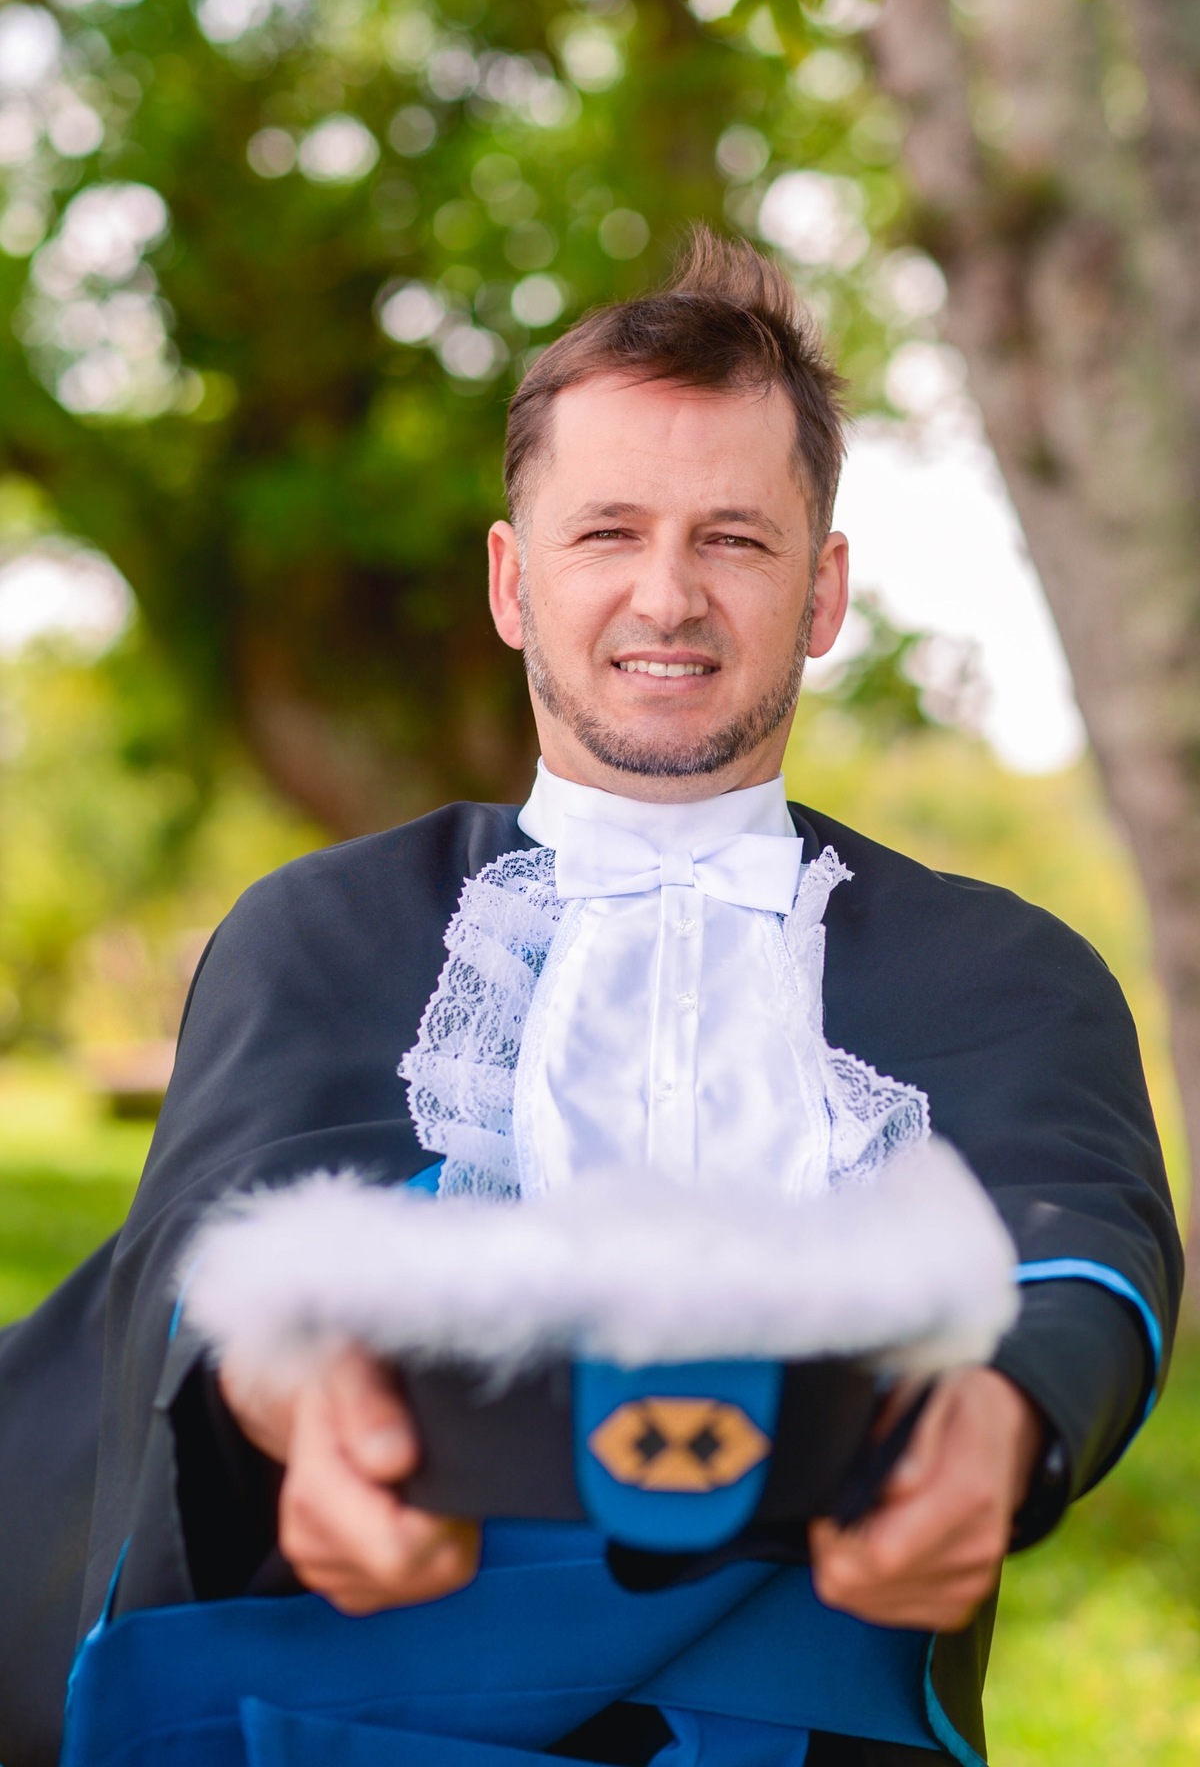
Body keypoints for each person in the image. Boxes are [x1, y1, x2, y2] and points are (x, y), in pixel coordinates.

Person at [0, 230, 1181, 1767]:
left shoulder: (1009, 970)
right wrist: (289, 1399)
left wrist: (1007, 1416)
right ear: (513, 582)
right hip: (337, 1714)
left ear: (824, 593)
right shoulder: (314, 930)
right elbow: (205, 1263)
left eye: (735, 540)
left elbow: (1083, 1240)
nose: (666, 596)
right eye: (607, 532)